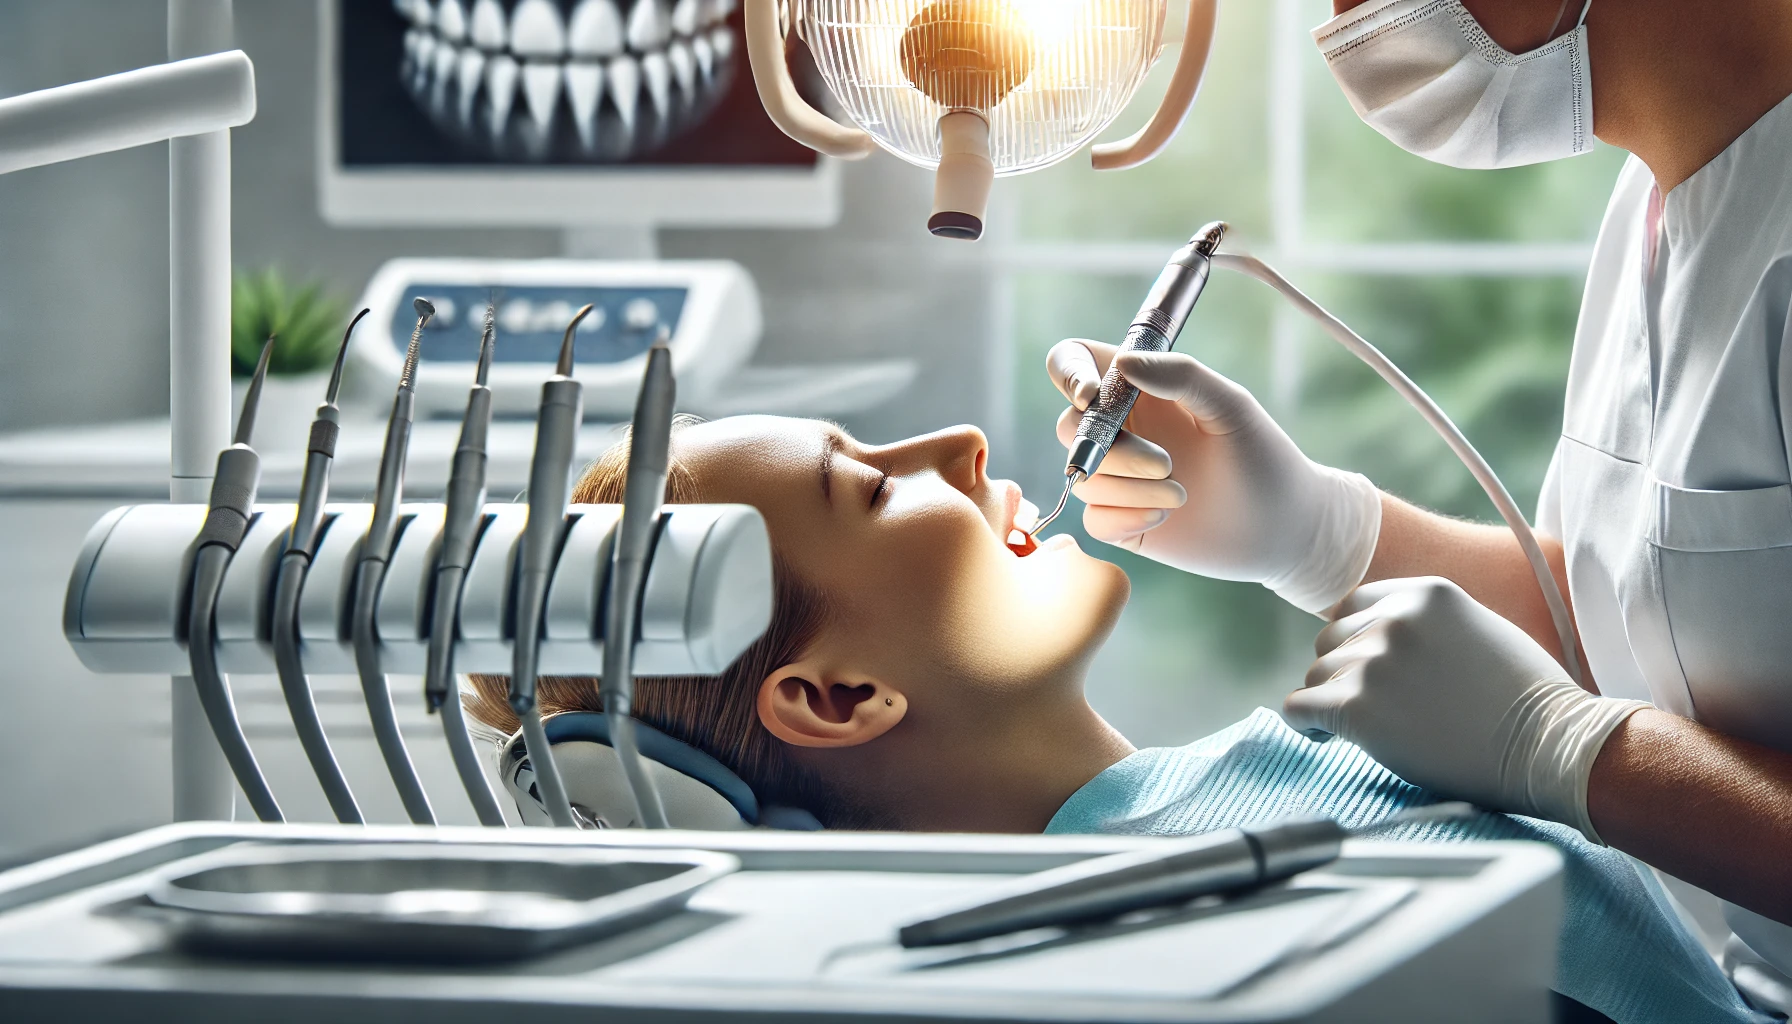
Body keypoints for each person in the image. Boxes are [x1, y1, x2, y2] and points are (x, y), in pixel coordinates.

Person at [466, 415, 1759, 1023]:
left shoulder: (1267, 776)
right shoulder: (1193, 945)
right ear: (840, 698)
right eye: (866, 483)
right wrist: (1568, 751)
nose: (961, 443)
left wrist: (1325, 528)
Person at [1044, 0, 1792, 1012]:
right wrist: (1314, 530)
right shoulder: (1663, 198)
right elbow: (1635, 624)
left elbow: (1588, 708)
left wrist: (1571, 751)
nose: (1344, 18)